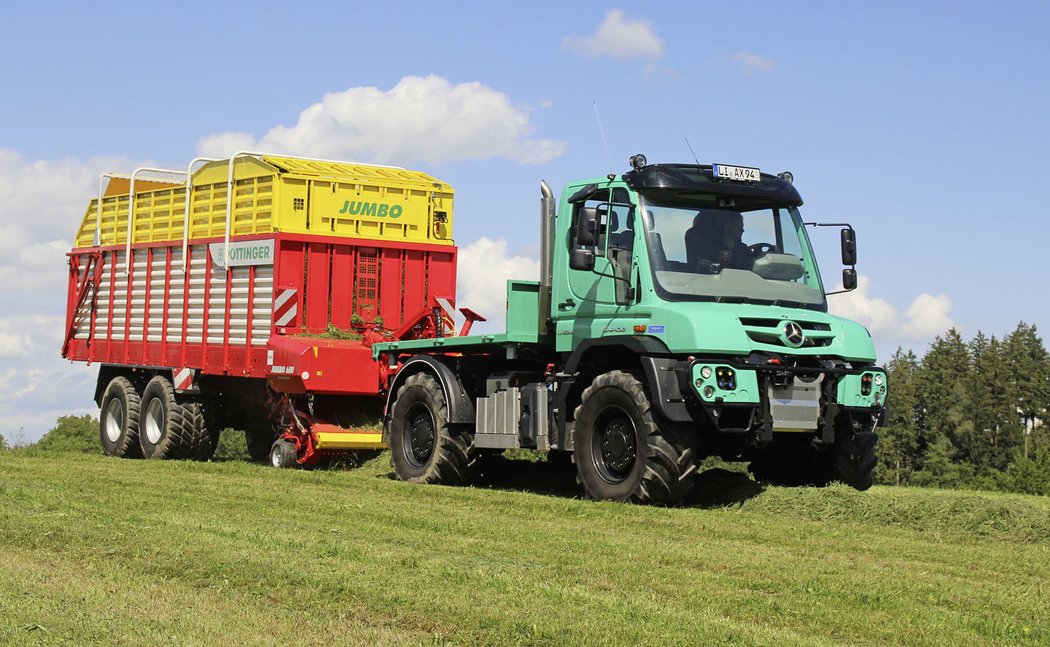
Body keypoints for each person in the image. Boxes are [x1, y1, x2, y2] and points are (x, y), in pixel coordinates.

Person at [685, 210, 753, 270]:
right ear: (727, 225)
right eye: (738, 226)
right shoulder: (707, 249)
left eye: (742, 227)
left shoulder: (744, 250)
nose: (742, 230)